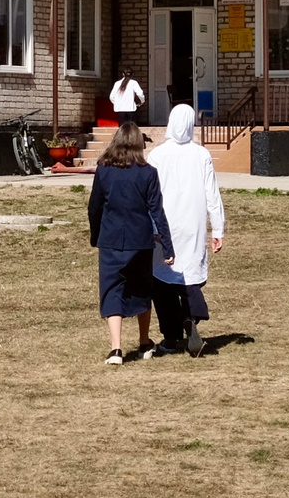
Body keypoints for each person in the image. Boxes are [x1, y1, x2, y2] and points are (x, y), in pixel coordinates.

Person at [87, 120, 172, 365]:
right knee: (142, 289)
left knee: (112, 289)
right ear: (138, 145)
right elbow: (157, 211)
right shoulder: (148, 173)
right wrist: (168, 246)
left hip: (111, 239)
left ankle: (116, 349)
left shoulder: (104, 170)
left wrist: (96, 236)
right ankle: (144, 341)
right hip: (141, 240)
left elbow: (94, 207)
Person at [146, 103, 226, 358]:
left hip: (164, 226)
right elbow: (212, 195)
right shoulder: (201, 154)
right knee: (190, 277)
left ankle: (170, 337)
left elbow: (150, 194)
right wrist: (218, 229)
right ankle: (190, 317)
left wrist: (149, 225)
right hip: (193, 225)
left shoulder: (157, 155)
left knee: (163, 281)